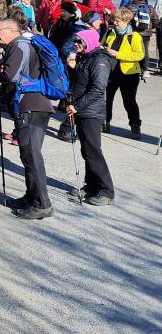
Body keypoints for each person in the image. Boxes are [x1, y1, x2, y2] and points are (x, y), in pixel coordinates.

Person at [0, 17, 56, 220]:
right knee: (28, 154)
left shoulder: (18, 46)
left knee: (32, 156)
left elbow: (10, 76)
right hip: (36, 105)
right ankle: (31, 197)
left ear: (11, 30)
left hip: (31, 106)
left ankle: (42, 203)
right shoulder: (23, 45)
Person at [64, 30, 115, 205]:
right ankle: (92, 184)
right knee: (86, 150)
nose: (76, 43)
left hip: (91, 112)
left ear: (90, 42)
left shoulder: (99, 60)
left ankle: (106, 191)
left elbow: (98, 88)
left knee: (93, 151)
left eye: (80, 41)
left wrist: (76, 106)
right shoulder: (85, 57)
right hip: (82, 110)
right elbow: (80, 81)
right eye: (75, 40)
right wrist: (73, 68)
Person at [102, 7, 144, 137]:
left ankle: (135, 125)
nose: (115, 23)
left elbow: (139, 55)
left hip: (129, 74)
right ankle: (105, 122)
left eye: (118, 21)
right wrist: (103, 49)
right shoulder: (110, 32)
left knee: (129, 101)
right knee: (106, 99)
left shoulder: (134, 36)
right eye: (114, 20)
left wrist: (118, 54)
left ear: (126, 21)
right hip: (110, 71)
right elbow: (101, 45)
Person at [119, 0, 156, 74]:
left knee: (134, 50)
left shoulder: (130, 7)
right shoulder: (149, 7)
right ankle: (146, 70)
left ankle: (136, 69)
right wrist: (150, 28)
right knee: (145, 51)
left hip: (134, 32)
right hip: (146, 33)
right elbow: (155, 20)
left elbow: (124, 18)